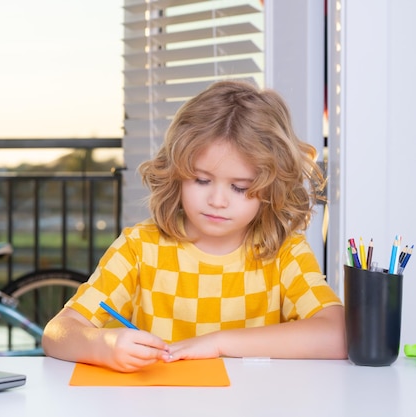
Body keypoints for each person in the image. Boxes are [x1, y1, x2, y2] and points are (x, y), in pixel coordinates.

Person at [42, 80, 347, 372]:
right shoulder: (139, 247)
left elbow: (338, 336)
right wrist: (104, 345)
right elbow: (57, 332)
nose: (217, 200)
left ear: (270, 189)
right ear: (176, 173)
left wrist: (217, 343)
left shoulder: (285, 252)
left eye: (239, 187)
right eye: (201, 180)